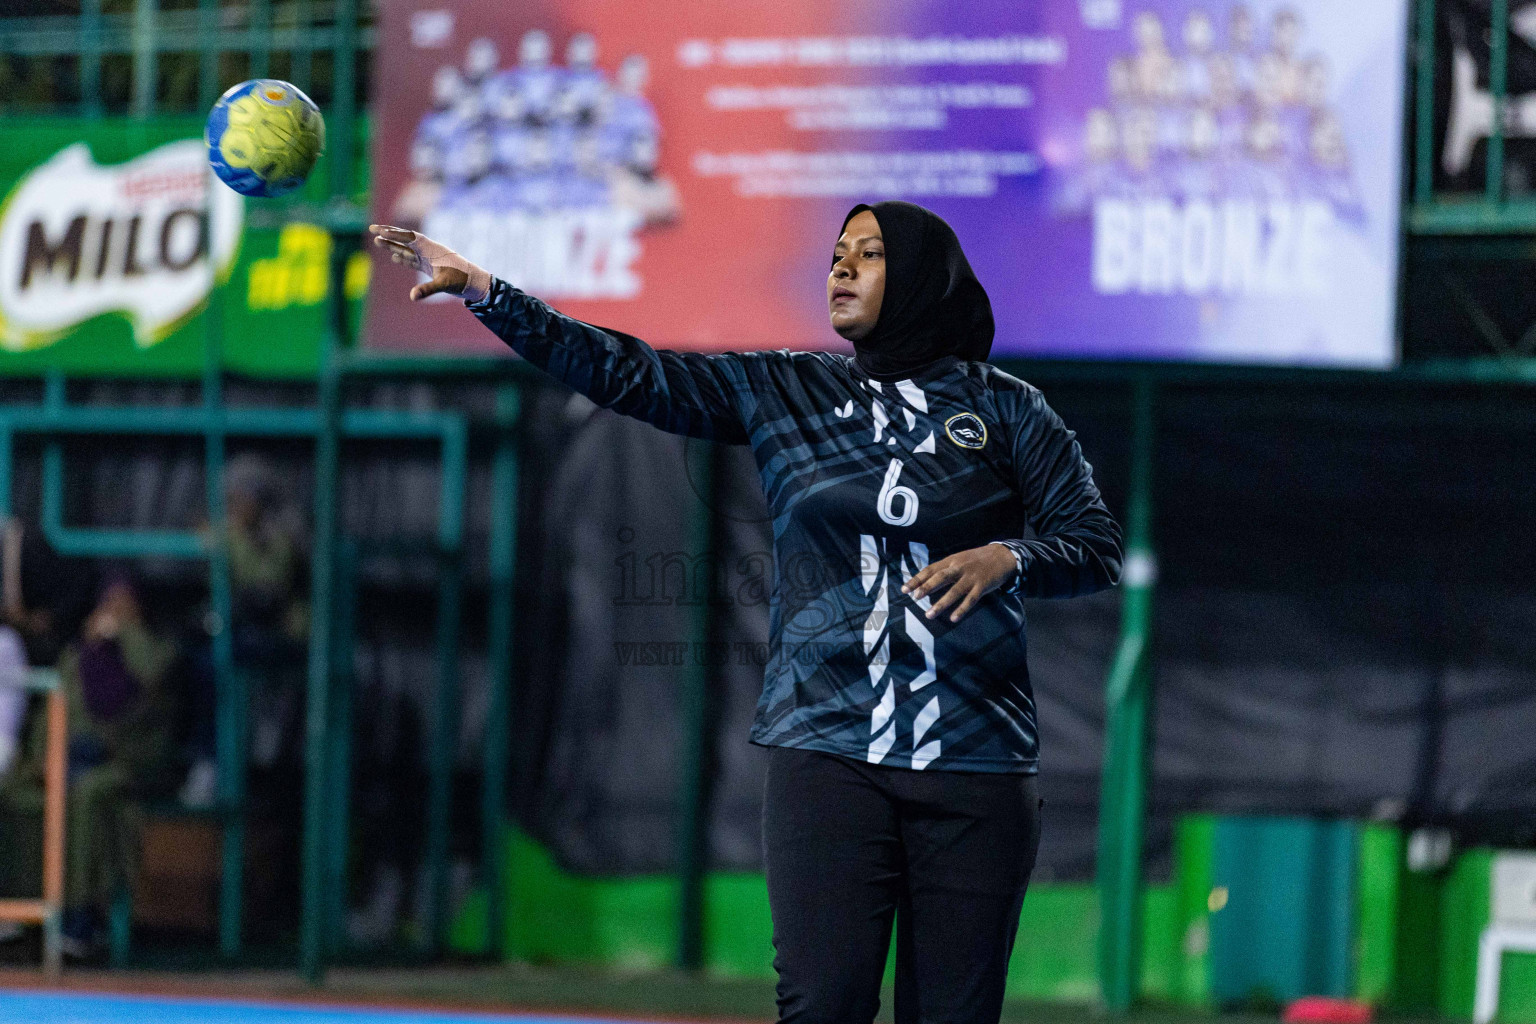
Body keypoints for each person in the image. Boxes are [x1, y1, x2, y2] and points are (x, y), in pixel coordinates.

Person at [369, 200, 1121, 1024]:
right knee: (822, 1004)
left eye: (869, 255)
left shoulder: (1012, 411)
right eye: (838, 253)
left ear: (921, 277)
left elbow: (1093, 544)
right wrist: (488, 292)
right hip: (826, 755)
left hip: (976, 765)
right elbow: (626, 371)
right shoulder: (786, 389)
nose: (841, 267)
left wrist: (1009, 555)